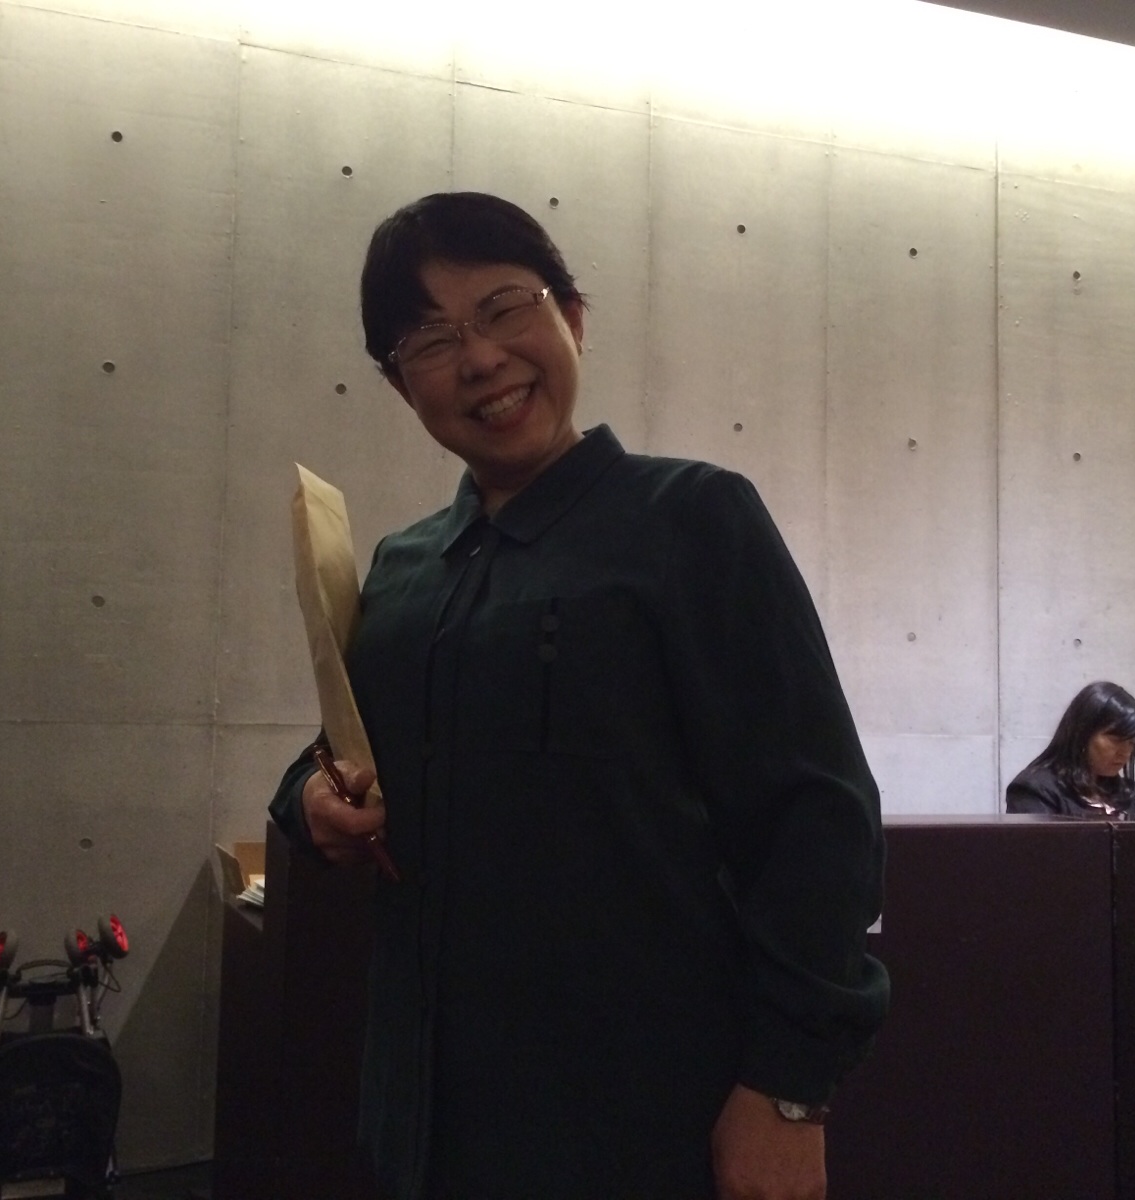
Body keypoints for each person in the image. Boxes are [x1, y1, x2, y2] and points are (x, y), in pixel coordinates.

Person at [269, 192, 887, 1200]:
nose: (480, 358)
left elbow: (817, 819)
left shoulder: (692, 520)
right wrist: (307, 800)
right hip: (422, 1120)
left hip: (639, 1123)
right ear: (400, 385)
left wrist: (788, 1090)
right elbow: (346, 756)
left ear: (573, 319)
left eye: (505, 308)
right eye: (433, 340)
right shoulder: (405, 568)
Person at [1005, 681, 1135, 819]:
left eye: (1131, 742)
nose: (1125, 752)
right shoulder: (1037, 790)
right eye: (1116, 740)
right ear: (1082, 734)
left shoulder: (1133, 795)